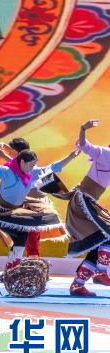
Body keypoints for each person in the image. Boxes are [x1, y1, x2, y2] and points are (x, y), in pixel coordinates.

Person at [0, 140, 78, 270]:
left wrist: (71, 157)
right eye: (31, 165)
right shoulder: (7, 172)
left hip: (15, 211)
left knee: (23, 236)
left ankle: (11, 267)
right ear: (22, 162)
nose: (33, 168)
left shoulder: (32, 173)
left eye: (34, 165)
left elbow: (53, 167)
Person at [64, 120, 110, 296]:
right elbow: (84, 145)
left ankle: (78, 285)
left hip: (89, 201)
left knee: (99, 242)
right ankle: (100, 272)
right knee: (107, 234)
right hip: (83, 200)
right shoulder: (105, 153)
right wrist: (83, 129)